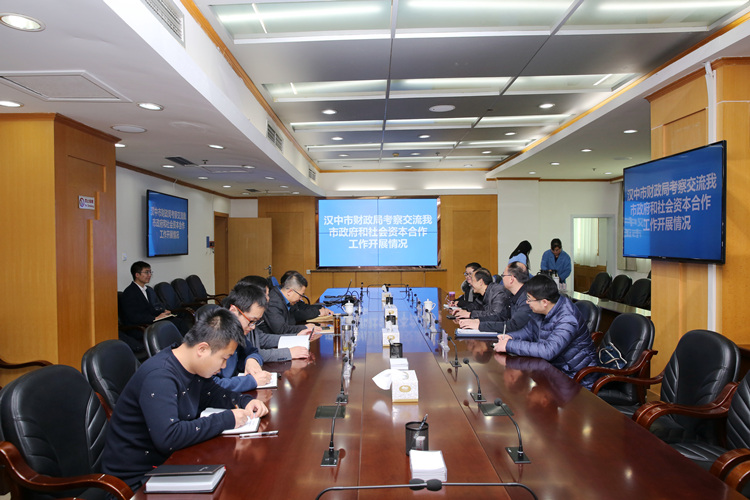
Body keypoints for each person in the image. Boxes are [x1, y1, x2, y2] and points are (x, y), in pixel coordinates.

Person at [101, 308, 269, 491]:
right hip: (139, 480)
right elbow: (169, 437)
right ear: (202, 349)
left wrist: (244, 401)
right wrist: (227, 418)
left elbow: (213, 393)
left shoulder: (191, 366)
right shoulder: (160, 377)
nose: (224, 366)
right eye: (223, 358)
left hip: (171, 462)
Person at [493, 275, 597, 388]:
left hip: (575, 377)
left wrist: (509, 345)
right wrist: (510, 337)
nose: (527, 302)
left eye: (529, 299)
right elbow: (528, 331)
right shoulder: (542, 309)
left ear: (544, 302)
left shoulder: (568, 319)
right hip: (554, 369)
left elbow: (548, 351)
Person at [195, 285, 273, 391]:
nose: (253, 327)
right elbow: (210, 386)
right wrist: (251, 381)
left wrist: (252, 360)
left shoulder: (237, 332)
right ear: (233, 311)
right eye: (251, 321)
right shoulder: (212, 335)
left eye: (256, 322)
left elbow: (252, 351)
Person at [234, 275, 314, 362]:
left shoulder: (249, 318)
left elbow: (262, 339)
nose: (269, 298)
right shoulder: (235, 322)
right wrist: (288, 353)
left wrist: (296, 337)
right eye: (267, 295)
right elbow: (251, 354)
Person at [458, 261, 532, 333]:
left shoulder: (527, 299)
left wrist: (480, 325)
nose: (502, 279)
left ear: (511, 279)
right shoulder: (511, 295)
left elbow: (512, 325)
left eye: (503, 275)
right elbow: (500, 317)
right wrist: (478, 321)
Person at [119, 261, 189, 334]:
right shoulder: (129, 293)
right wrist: (156, 318)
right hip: (140, 327)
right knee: (176, 325)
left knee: (179, 322)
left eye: (150, 272)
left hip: (151, 322)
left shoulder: (147, 290)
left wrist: (163, 312)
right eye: (146, 272)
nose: (149, 275)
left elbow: (151, 309)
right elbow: (134, 317)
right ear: (137, 275)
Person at [263, 270, 320, 335]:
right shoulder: (273, 302)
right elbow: (280, 329)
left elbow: (292, 322)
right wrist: (305, 327)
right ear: (290, 292)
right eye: (300, 295)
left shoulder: (289, 300)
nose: (301, 299)